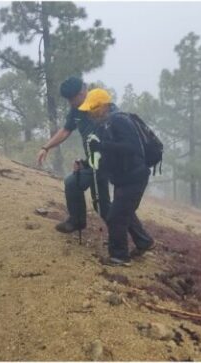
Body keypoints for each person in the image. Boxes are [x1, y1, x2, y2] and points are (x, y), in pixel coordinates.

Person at [80, 88, 154, 266]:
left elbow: (131, 147)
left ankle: (119, 257)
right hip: (123, 179)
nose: (90, 113)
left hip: (134, 177)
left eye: (93, 109)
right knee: (124, 212)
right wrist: (84, 163)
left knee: (115, 216)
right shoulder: (104, 125)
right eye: (89, 110)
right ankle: (144, 241)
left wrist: (102, 145)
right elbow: (103, 154)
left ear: (104, 106)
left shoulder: (119, 120)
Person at [37, 77, 111, 233]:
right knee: (76, 185)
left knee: (99, 202)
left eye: (72, 98)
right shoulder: (76, 109)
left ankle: (129, 238)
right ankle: (77, 221)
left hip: (106, 159)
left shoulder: (100, 104)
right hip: (93, 160)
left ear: (83, 91)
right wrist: (46, 147)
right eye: (68, 100)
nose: (70, 103)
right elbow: (66, 130)